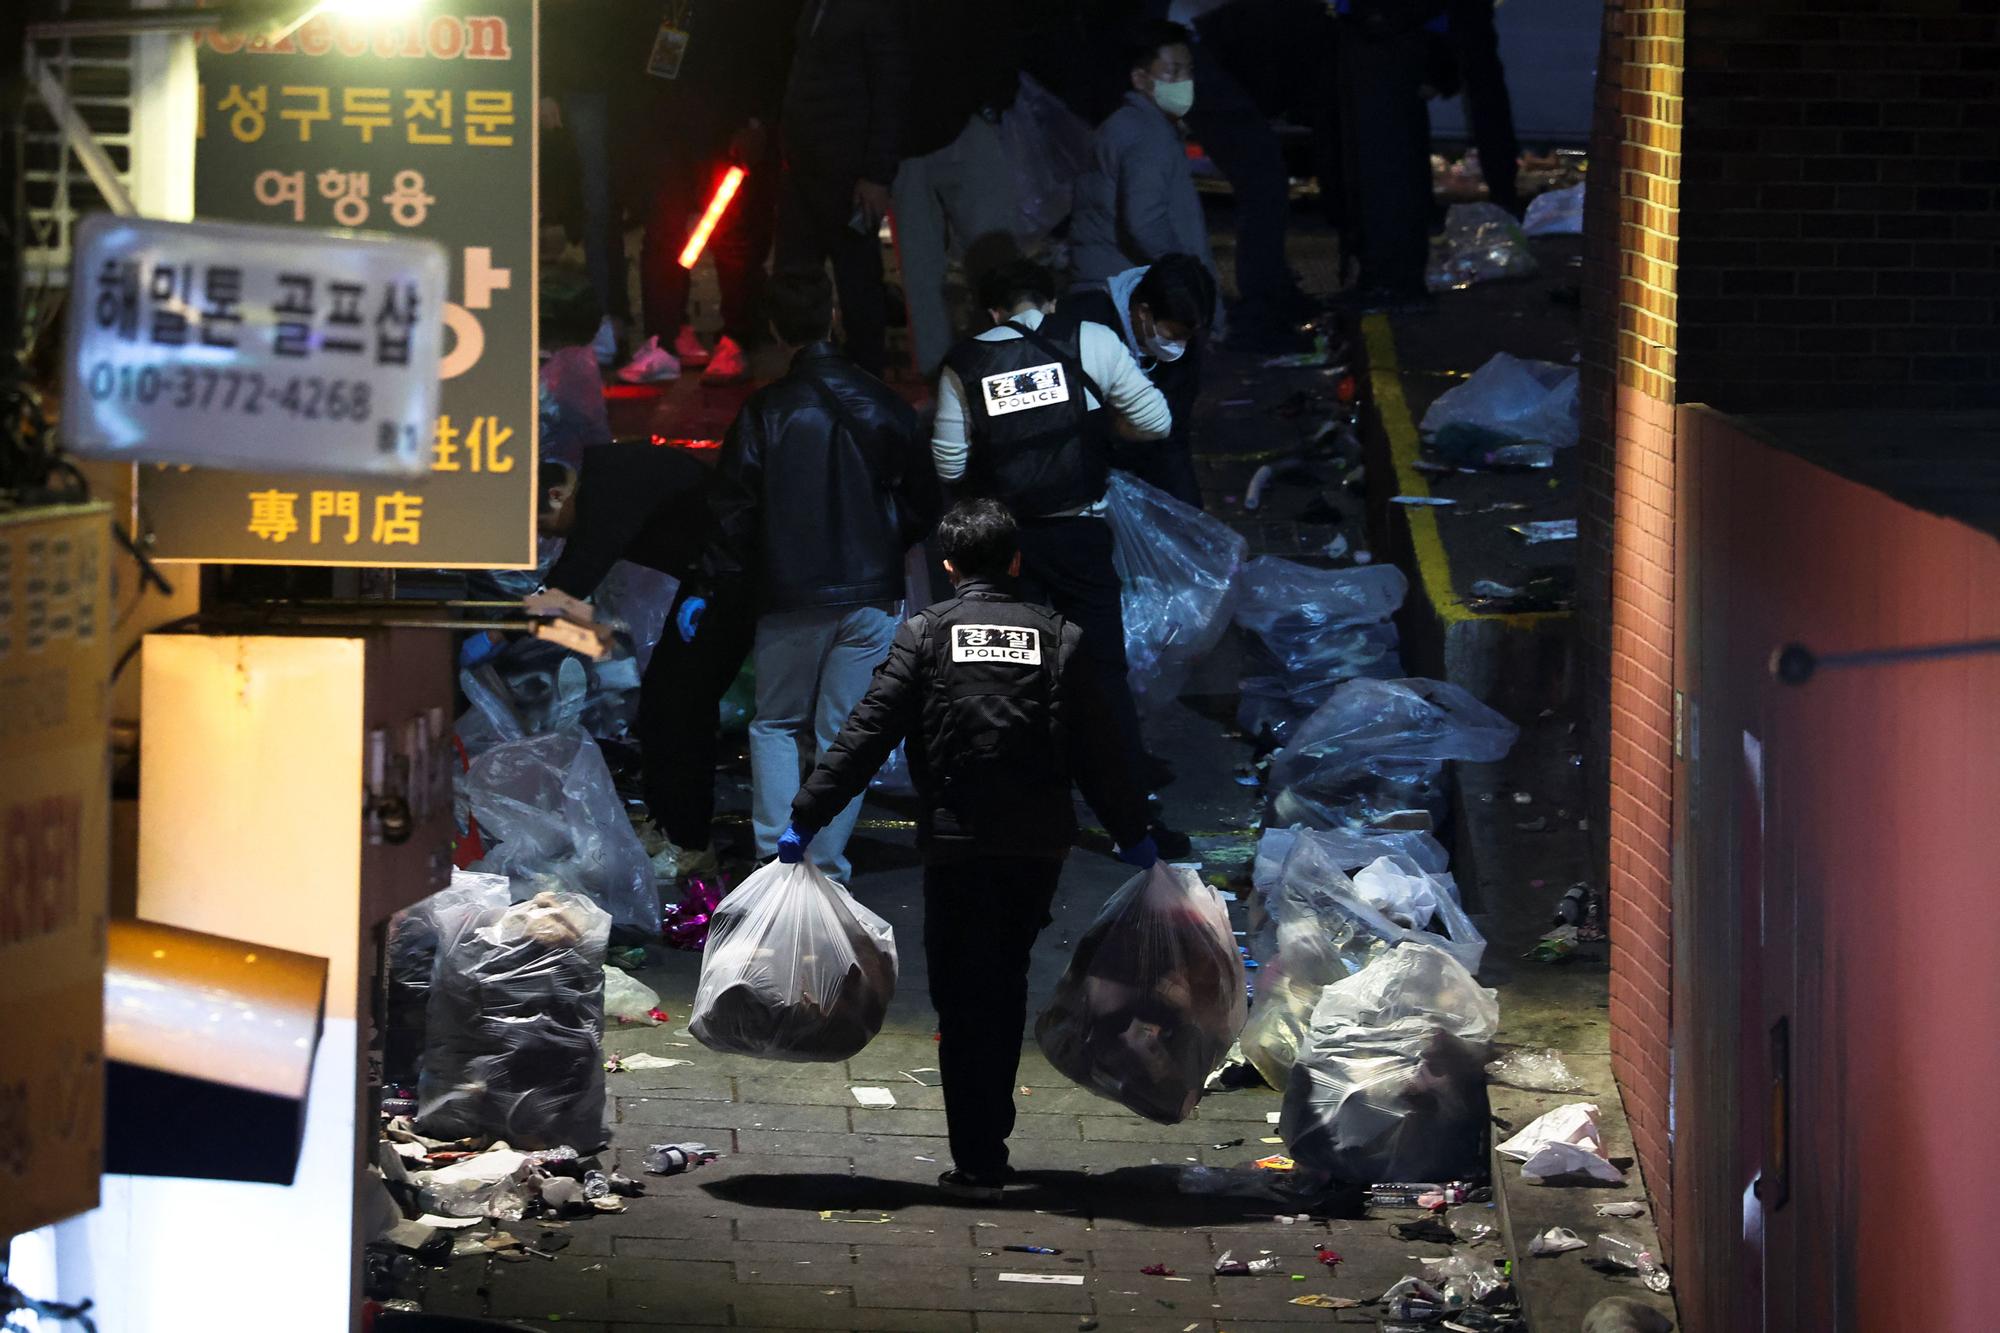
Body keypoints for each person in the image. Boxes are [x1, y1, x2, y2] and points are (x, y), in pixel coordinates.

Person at [776, 499, 1158, 1197]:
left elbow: (866, 733)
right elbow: (1103, 753)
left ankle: (977, 1156)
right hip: (1035, 849)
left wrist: (805, 816)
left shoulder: (926, 634)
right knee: (1004, 980)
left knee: (960, 994)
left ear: (950, 568)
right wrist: (1138, 837)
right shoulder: (1060, 637)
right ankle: (992, 1137)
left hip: (957, 844)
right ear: (1016, 561)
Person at [933, 257, 1191, 857]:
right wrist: (1101, 430)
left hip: (1004, 547)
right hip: (1081, 536)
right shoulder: (1089, 340)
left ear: (992, 311)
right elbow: (1156, 421)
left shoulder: (965, 362)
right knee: (1101, 679)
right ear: (1047, 302)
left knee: (1010, 680)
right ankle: (1133, 825)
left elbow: (948, 465)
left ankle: (1014, 820)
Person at [707, 270, 941, 880]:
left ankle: (773, 864)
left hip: (789, 594)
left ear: (778, 331)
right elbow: (923, 496)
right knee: (846, 736)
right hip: (870, 593)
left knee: (777, 724)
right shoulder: (883, 402)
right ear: (834, 316)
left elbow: (732, 509)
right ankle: (824, 866)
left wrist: (730, 585)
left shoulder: (766, 410)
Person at [534, 446, 753, 883]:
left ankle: (689, 842)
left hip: (729, 580)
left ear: (557, 495)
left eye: (544, 527)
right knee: (661, 706)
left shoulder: (608, 490)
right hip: (710, 578)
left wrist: (499, 630)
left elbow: (576, 577)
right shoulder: (607, 475)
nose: (550, 538)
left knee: (680, 709)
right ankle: (668, 825)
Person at [617, 0, 802, 386]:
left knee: (734, 236)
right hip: (667, 127)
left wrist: (756, 118)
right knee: (662, 234)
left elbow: (766, 44)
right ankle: (662, 340)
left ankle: (736, 338)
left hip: (727, 125)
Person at [773, 0, 910, 379]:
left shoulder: (870, 10)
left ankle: (865, 379)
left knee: (858, 283)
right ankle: (809, 374)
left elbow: (888, 90)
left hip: (847, 171)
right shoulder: (819, 8)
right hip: (807, 165)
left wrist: (876, 174)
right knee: (800, 278)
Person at [893, 4, 1024, 379]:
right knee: (989, 259)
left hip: (918, 130)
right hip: (946, 123)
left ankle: (950, 379)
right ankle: (1002, 367)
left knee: (931, 272)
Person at [1067, 20, 1222, 332]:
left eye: (1188, 71)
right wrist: (1188, 286)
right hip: (1134, 301)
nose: (1185, 81)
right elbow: (1144, 221)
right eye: (1173, 72)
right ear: (1140, 78)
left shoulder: (1122, 124)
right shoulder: (1150, 136)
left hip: (1102, 289)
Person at [1060, 253, 1218, 508]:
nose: (1180, 345)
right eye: (1174, 334)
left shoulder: (1184, 347)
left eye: (1187, 337)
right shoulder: (1081, 325)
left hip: (1139, 454)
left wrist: (1189, 512)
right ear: (1143, 312)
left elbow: (1173, 434)